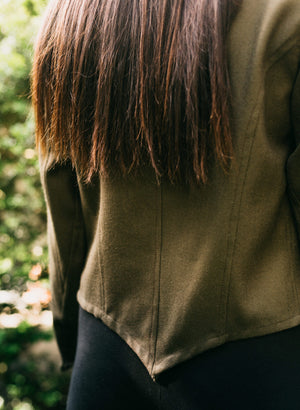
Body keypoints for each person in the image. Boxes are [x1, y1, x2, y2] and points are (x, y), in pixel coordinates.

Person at [31, 0, 300, 408]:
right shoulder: (285, 15)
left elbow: (64, 209)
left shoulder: (72, 13)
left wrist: (71, 334)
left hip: (104, 350)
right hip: (256, 355)